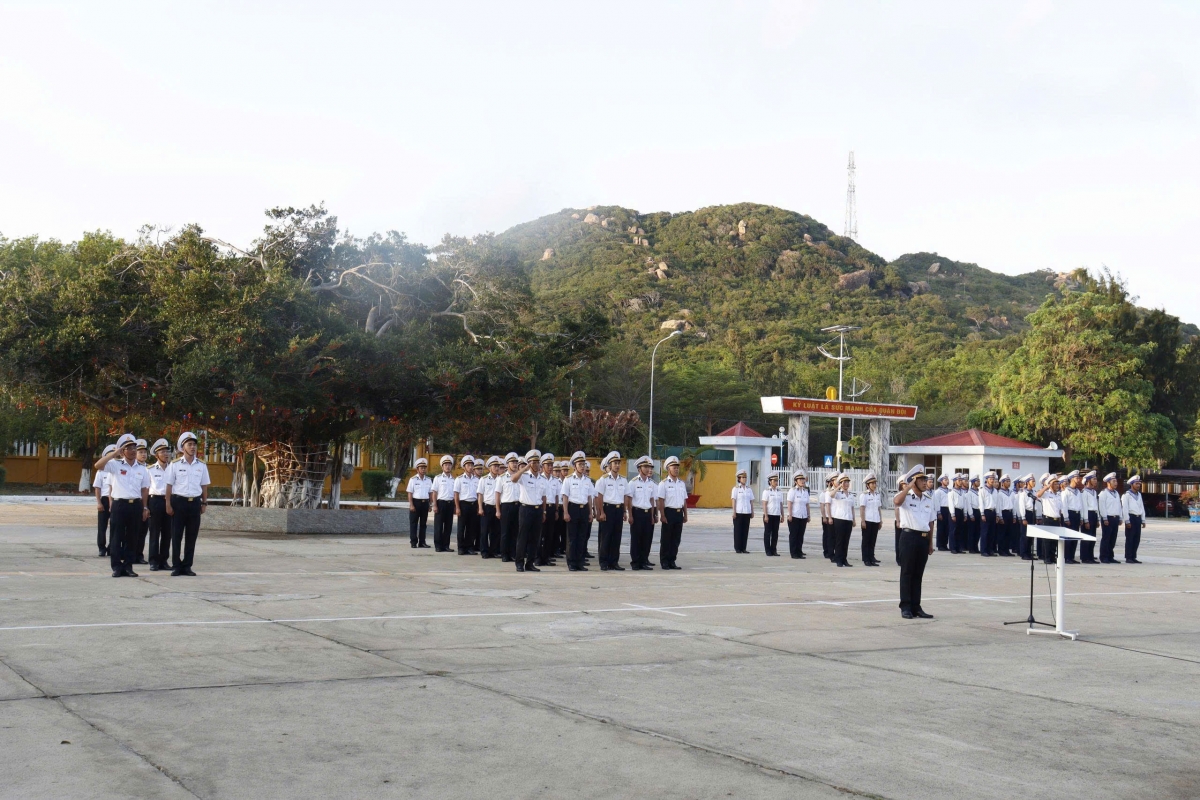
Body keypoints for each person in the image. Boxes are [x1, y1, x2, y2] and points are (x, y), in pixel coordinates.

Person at [94, 435, 150, 577]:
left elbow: (145, 490)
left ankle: (128, 566)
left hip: (135, 505)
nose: (132, 451)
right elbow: (98, 465)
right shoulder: (115, 465)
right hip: (119, 504)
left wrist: (144, 507)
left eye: (134, 448)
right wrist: (113, 454)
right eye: (128, 448)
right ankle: (117, 567)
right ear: (123, 451)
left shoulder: (142, 469)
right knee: (116, 537)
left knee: (132, 537)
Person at [164, 431, 210, 576]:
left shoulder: (201, 465)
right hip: (179, 502)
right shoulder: (175, 464)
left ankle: (187, 565)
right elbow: (169, 485)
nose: (192, 447)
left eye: (194, 445)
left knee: (191, 536)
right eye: (189, 445)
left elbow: (204, 486)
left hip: (194, 503)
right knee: (176, 535)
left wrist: (204, 502)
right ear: (182, 447)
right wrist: (168, 503)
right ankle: (176, 565)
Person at [893, 465, 936, 619]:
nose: (926, 482)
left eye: (926, 479)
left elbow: (931, 522)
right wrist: (908, 487)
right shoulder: (906, 497)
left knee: (918, 574)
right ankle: (905, 606)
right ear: (914, 482)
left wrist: (930, 543)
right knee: (907, 573)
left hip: (923, 539)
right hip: (909, 537)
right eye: (922, 480)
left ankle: (916, 606)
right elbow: (896, 502)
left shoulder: (929, 499)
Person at [561, 451, 595, 571]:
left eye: (583, 464)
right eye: (580, 464)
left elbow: (590, 497)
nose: (582, 466)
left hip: (584, 509)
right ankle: (571, 562)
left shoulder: (587, 480)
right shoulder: (568, 479)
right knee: (572, 537)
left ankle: (580, 562)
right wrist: (565, 512)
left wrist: (590, 512)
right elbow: (565, 496)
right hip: (573, 508)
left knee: (582, 537)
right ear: (574, 466)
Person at [513, 450, 546, 572]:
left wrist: (544, 512)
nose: (536, 465)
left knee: (535, 538)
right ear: (529, 464)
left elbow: (544, 497)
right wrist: (524, 468)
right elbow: (513, 479)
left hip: (538, 510)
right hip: (526, 509)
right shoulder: (524, 476)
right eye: (534, 462)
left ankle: (530, 563)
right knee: (523, 537)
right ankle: (519, 563)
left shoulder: (542, 479)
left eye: (538, 462)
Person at [594, 452, 627, 571]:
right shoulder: (603, 480)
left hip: (619, 510)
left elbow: (625, 497)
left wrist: (624, 511)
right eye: (615, 463)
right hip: (608, 509)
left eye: (618, 463)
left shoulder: (623, 480)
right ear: (610, 465)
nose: (617, 465)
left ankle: (614, 562)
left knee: (616, 537)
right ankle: (604, 562)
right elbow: (599, 497)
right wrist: (601, 512)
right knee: (606, 537)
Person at [625, 455, 658, 569]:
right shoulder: (633, 483)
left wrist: (653, 515)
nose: (648, 469)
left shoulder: (651, 483)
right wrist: (630, 514)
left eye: (649, 467)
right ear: (639, 468)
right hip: (637, 512)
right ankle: (635, 562)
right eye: (645, 466)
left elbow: (652, 500)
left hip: (647, 512)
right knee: (636, 538)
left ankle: (644, 561)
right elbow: (629, 500)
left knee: (647, 538)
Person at [656, 455, 688, 570]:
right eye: (674, 467)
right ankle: (664, 561)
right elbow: (661, 500)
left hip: (679, 513)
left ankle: (672, 560)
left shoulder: (681, 483)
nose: (676, 469)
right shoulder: (663, 483)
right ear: (668, 469)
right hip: (669, 512)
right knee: (666, 539)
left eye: (677, 467)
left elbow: (684, 500)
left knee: (676, 539)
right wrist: (662, 515)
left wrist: (685, 514)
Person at [146, 438, 172, 571]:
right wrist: (145, 506)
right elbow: (145, 489)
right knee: (154, 533)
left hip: (169, 502)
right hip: (155, 501)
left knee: (167, 533)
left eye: (167, 451)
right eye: (162, 451)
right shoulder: (149, 470)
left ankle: (164, 560)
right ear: (157, 455)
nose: (166, 454)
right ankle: (153, 561)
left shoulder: (173, 468)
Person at [92, 443, 117, 558]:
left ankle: (111, 547)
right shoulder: (101, 472)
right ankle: (101, 548)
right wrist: (99, 503)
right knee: (102, 526)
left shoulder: (117, 469)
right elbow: (97, 488)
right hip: (104, 500)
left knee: (115, 525)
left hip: (116, 500)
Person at [496, 453, 521, 561]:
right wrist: (498, 510)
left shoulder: (521, 476)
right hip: (506, 506)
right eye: (512, 462)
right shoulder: (501, 478)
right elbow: (497, 494)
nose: (515, 464)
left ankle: (513, 553)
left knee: (515, 531)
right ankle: (504, 554)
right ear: (508, 464)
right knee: (505, 532)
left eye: (516, 462)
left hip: (518, 505)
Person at [537, 454, 560, 567]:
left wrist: (556, 510)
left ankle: (546, 558)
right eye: (548, 465)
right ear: (543, 466)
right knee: (539, 534)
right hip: (541, 508)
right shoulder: (539, 478)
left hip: (551, 508)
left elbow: (556, 496)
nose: (550, 467)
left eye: (551, 465)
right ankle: (537, 558)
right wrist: (543, 511)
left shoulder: (555, 480)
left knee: (549, 535)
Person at [430, 454, 457, 552]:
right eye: (446, 465)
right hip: (440, 503)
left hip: (450, 504)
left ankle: (446, 545)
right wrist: (434, 505)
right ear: (442, 466)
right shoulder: (438, 478)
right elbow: (434, 492)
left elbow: (455, 494)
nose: (448, 466)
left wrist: (455, 506)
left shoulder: (454, 479)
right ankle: (438, 546)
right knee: (438, 525)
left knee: (448, 526)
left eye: (449, 465)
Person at [453, 455, 479, 556]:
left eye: (472, 465)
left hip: (473, 504)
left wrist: (478, 507)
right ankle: (461, 548)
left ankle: (470, 547)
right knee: (461, 527)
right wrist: (457, 507)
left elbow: (478, 494)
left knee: (471, 528)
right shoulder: (459, 479)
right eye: (468, 465)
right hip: (463, 504)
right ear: (464, 467)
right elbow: (456, 494)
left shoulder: (476, 480)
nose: (471, 467)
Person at [406, 457, 433, 548]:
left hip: (425, 503)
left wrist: (430, 504)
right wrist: (411, 505)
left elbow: (430, 493)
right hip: (416, 503)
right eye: (421, 468)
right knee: (413, 523)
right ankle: (413, 542)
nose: (423, 469)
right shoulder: (413, 479)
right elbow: (410, 493)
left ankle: (422, 542)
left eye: (424, 468)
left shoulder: (429, 480)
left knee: (423, 524)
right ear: (417, 469)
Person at [478, 456, 501, 558]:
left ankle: (493, 551)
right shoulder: (484, 479)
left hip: (498, 508)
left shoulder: (501, 479)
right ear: (490, 468)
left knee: (495, 531)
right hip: (487, 507)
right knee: (484, 531)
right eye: (495, 466)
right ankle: (484, 551)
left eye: (498, 466)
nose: (497, 468)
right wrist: (480, 508)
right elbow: (480, 495)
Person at [830, 474, 856, 567]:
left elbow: (852, 508)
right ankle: (838, 559)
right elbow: (831, 495)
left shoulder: (851, 495)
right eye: (844, 482)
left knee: (846, 540)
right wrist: (838, 487)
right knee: (839, 540)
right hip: (839, 519)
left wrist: (854, 519)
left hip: (848, 519)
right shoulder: (838, 493)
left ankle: (844, 559)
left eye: (847, 482)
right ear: (840, 483)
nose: (846, 484)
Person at [1097, 472, 1122, 564]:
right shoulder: (1104, 493)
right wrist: (1104, 518)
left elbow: (1119, 506)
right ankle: (1103, 557)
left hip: (1115, 518)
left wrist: (1120, 517)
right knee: (1106, 538)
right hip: (1108, 518)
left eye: (1116, 481)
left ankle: (1110, 556)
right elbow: (1102, 507)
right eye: (1114, 481)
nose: (1116, 483)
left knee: (1113, 538)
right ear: (1108, 482)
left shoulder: (1116, 493)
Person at [132, 438, 151, 564]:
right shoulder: (132, 467)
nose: (143, 454)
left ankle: (139, 554)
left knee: (143, 530)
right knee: (133, 530)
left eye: (145, 452)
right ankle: (130, 554)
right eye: (140, 452)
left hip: (147, 501)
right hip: (135, 501)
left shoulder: (150, 468)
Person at [1036, 475, 1062, 564]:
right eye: (1055, 484)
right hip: (1048, 519)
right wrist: (1046, 487)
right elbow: (1038, 495)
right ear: (1051, 485)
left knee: (1054, 540)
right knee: (1047, 540)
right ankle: (1046, 557)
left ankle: (1052, 557)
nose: (1057, 486)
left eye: (1057, 484)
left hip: (1056, 519)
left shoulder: (1058, 495)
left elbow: (1059, 508)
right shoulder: (1046, 494)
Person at [858, 473, 883, 566]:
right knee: (866, 540)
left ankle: (872, 557)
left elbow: (879, 508)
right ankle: (866, 558)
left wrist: (880, 520)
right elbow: (862, 509)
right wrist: (863, 520)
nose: (874, 485)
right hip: (867, 520)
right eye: (872, 483)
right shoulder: (864, 495)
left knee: (873, 540)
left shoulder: (877, 495)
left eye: (875, 483)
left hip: (875, 520)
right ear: (868, 485)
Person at [785, 473, 810, 559]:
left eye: (803, 479)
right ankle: (794, 553)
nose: (802, 481)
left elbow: (807, 504)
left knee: (800, 535)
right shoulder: (792, 491)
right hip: (794, 516)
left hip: (803, 516)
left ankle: (799, 552)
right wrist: (790, 515)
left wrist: (808, 515)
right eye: (800, 480)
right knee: (794, 535)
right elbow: (789, 503)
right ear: (796, 481)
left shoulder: (805, 491)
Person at [1060, 470, 1082, 564]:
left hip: (1077, 514)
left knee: (1075, 537)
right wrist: (1066, 518)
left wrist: (1081, 517)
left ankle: (1072, 556)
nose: (1078, 480)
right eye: (1077, 478)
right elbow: (1064, 506)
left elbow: (1080, 505)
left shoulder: (1078, 491)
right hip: (1070, 514)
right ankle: (1067, 557)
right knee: (1068, 538)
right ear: (1072, 479)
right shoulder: (1066, 492)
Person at [1122, 476, 1145, 564]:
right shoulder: (1126, 495)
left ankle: (1133, 556)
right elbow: (1125, 508)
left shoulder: (1139, 495)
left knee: (1136, 538)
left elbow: (1141, 507)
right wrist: (1127, 520)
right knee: (1130, 538)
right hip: (1131, 517)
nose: (1138, 485)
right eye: (1136, 484)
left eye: (1139, 483)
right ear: (1132, 484)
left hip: (1138, 517)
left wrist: (1143, 520)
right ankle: (1128, 557)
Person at [730, 469, 754, 554]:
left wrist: (752, 511)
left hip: (747, 512)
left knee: (745, 531)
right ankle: (738, 548)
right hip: (739, 512)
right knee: (738, 531)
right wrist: (734, 512)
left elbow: (751, 501)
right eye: (742, 477)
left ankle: (744, 548)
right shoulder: (735, 489)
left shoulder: (748, 489)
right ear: (739, 479)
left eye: (745, 477)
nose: (744, 479)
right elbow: (734, 500)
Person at [760, 474, 783, 557]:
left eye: (777, 481)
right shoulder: (766, 491)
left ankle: (774, 550)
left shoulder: (779, 491)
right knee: (767, 533)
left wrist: (782, 515)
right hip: (769, 514)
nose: (776, 482)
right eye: (774, 481)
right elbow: (764, 504)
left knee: (775, 534)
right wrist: (765, 515)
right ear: (770, 482)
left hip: (776, 515)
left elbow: (781, 504)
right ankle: (768, 550)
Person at [1079, 471, 1100, 564]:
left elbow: (1096, 506)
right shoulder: (1084, 492)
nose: (1096, 481)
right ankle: (1085, 557)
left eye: (1096, 479)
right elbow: (1084, 507)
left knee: (1092, 537)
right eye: (1094, 479)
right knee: (1086, 538)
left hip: (1094, 514)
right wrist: (1086, 520)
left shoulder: (1094, 492)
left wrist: (1098, 518)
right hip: (1088, 515)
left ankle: (1090, 556)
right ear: (1088, 480)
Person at [978, 472, 998, 556]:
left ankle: (990, 550)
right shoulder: (982, 490)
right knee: (985, 532)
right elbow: (981, 502)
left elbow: (997, 503)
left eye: (993, 479)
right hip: (986, 511)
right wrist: (982, 514)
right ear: (986, 480)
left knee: (992, 532)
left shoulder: (995, 490)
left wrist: (997, 514)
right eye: (990, 479)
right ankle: (984, 550)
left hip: (993, 511)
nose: (992, 480)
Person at [996, 475, 1015, 557]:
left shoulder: (1011, 493)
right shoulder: (1000, 493)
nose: (1009, 483)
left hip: (1010, 513)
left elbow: (1014, 504)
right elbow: (999, 506)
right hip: (1003, 513)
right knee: (1002, 533)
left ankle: (1007, 550)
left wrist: (1014, 515)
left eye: (1009, 481)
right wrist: (1000, 516)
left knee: (1009, 533)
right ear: (1003, 483)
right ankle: (1001, 550)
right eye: (1007, 481)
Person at [948, 474, 967, 554]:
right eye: (959, 480)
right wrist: (952, 514)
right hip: (955, 511)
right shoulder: (951, 492)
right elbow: (951, 504)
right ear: (955, 481)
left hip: (961, 511)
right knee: (953, 530)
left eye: (961, 480)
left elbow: (964, 503)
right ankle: (953, 548)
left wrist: (965, 514)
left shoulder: (962, 492)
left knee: (960, 530)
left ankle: (959, 547)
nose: (961, 482)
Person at [934, 475, 952, 552]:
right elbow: (937, 502)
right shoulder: (938, 491)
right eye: (945, 480)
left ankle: (945, 544)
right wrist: (939, 513)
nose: (947, 481)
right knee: (941, 528)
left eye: (947, 480)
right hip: (942, 509)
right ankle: (940, 545)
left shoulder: (950, 491)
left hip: (949, 509)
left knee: (947, 528)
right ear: (941, 481)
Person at [820, 476, 835, 560]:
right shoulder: (824, 493)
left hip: (834, 517)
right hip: (826, 516)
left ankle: (832, 551)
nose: (831, 483)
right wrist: (824, 517)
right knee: (827, 535)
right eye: (829, 482)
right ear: (827, 483)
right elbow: (822, 506)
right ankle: (826, 551)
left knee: (833, 535)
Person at [967, 475, 982, 553]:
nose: (979, 482)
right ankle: (971, 548)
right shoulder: (969, 492)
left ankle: (976, 547)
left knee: (978, 531)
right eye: (977, 481)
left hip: (979, 511)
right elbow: (968, 504)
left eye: (979, 481)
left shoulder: (980, 491)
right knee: (972, 531)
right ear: (973, 483)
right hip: (973, 511)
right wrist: (971, 514)